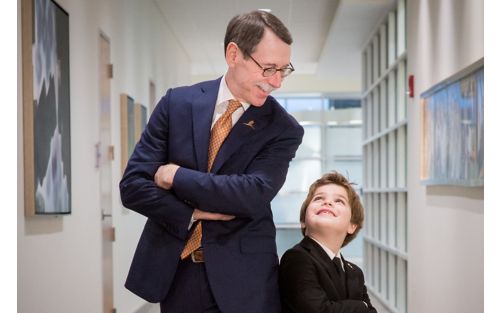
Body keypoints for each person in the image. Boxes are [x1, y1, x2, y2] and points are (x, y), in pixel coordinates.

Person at [119, 10, 304, 313]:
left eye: (284, 70)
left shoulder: (283, 128)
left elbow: (253, 193)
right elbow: (133, 187)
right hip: (178, 273)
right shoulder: (177, 103)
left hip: (246, 281)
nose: (277, 82)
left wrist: (175, 176)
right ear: (234, 54)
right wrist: (190, 212)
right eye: (269, 68)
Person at [279, 171, 377, 313]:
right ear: (303, 221)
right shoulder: (297, 258)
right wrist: (363, 306)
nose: (327, 202)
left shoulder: (355, 273)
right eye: (318, 198)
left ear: (352, 225)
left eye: (339, 201)